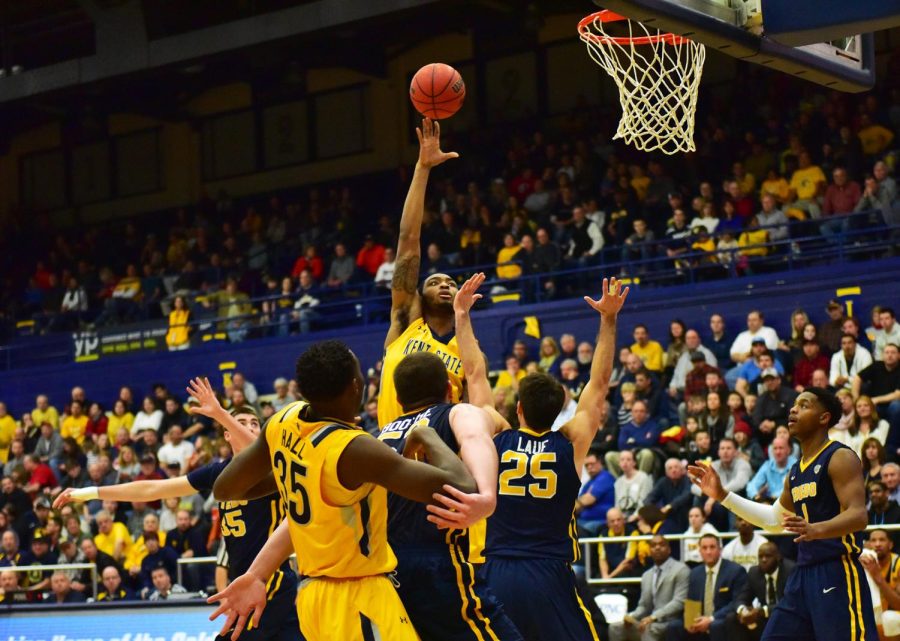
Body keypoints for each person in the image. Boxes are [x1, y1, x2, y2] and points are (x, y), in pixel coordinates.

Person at [206, 340, 480, 641]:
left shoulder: (283, 421)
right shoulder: (354, 449)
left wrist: (302, 475)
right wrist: (427, 435)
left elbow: (226, 488)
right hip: (359, 597)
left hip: (313, 597)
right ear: (355, 386)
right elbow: (461, 487)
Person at [55, 381, 304, 641]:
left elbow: (259, 452)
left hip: (269, 583)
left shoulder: (272, 465)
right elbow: (153, 489)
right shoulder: (218, 472)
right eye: (242, 422)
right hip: (246, 585)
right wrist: (90, 492)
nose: (250, 427)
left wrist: (220, 413)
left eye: (255, 424)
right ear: (226, 435)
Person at [454, 275, 627, 641]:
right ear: (561, 409)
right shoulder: (571, 441)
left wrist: (462, 315)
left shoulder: (497, 436)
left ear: (517, 409)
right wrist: (608, 320)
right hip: (549, 571)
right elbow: (599, 383)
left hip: (496, 568)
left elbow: (474, 373)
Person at [689, 387, 878, 641]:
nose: (793, 409)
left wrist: (815, 529)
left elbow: (858, 516)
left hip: (836, 570)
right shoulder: (796, 472)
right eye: (794, 405)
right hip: (803, 575)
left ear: (824, 418)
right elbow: (774, 521)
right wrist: (723, 495)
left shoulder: (840, 457)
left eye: (804, 405)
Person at [378, 118, 463, 428]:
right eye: (434, 281)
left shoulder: (466, 348)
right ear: (419, 295)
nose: (444, 284)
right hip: (393, 456)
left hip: (442, 464)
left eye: (452, 283)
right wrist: (422, 169)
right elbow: (408, 242)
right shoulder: (405, 320)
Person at [666, 534, 747, 641]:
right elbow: (692, 601)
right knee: (674, 626)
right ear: (700, 551)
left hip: (721, 619)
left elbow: (736, 602)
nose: (708, 552)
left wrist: (710, 619)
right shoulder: (695, 573)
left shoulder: (735, 571)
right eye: (704, 548)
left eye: (712, 547)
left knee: (715, 626)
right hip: (700, 619)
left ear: (720, 550)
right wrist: (691, 621)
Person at [608, 535, 690, 641]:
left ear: (669, 549)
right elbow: (644, 606)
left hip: (670, 622)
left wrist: (653, 617)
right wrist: (631, 617)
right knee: (616, 627)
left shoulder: (681, 570)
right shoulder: (647, 575)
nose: (657, 548)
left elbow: (679, 602)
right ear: (650, 550)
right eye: (653, 545)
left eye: (661, 545)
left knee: (647, 628)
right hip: (649, 621)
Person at [733, 542, 796, 641]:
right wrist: (743, 611)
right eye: (760, 557)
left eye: (768, 556)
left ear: (778, 557)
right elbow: (741, 598)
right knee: (732, 618)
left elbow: (791, 602)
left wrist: (762, 611)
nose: (764, 560)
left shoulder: (790, 570)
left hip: (786, 614)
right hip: (763, 617)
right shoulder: (754, 572)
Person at [858, 528, 900, 639]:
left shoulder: (898, 564)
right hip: (874, 617)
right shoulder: (864, 561)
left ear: (890, 545)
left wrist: (878, 577)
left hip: (893, 616)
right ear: (868, 544)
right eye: (873, 540)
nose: (877, 544)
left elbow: (898, 605)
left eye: (882, 540)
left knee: (889, 618)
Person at [576, 450, 616, 535]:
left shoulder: (605, 477)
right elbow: (579, 504)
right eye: (587, 465)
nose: (590, 467)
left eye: (592, 464)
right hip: (584, 521)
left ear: (599, 462)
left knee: (575, 530)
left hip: (600, 521)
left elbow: (586, 500)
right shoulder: (589, 483)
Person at [866, 481, 900, 547]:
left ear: (887, 493)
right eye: (871, 492)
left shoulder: (898, 513)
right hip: (870, 554)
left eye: (877, 491)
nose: (873, 494)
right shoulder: (866, 515)